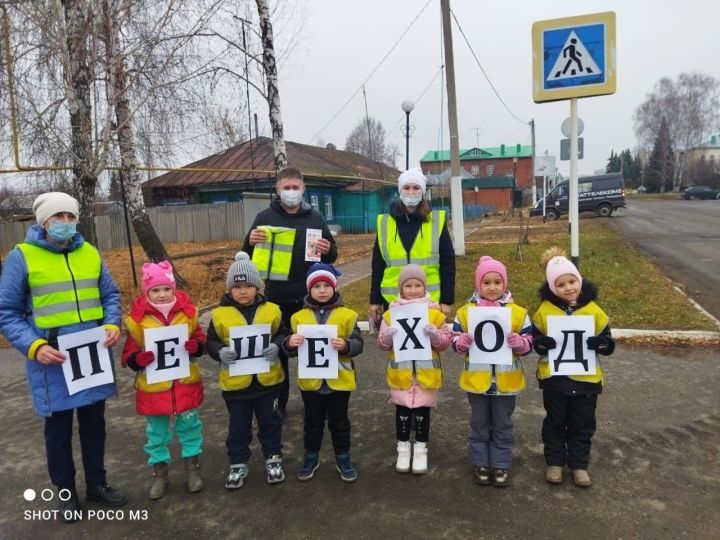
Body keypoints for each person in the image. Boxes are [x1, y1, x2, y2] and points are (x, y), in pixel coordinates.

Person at [0, 192, 126, 522]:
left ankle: (97, 484)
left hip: (92, 357)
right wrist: (35, 347)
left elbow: (110, 294)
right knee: (58, 432)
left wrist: (113, 323)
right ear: (43, 222)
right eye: (59, 217)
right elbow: (8, 313)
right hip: (52, 361)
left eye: (71, 217)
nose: (66, 224)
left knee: (94, 425)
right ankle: (66, 494)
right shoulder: (22, 257)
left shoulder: (90, 253)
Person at [242, 167, 337, 417]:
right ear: (277, 189)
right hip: (276, 298)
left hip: (310, 299)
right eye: (287, 187)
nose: (291, 192)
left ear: (304, 189)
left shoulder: (315, 218)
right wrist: (249, 242)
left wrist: (328, 248)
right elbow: (247, 257)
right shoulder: (264, 217)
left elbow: (332, 255)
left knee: (314, 349)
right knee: (278, 353)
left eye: (296, 187)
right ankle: (279, 404)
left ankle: (317, 402)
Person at [120, 260, 206, 499]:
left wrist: (196, 346)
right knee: (156, 433)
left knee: (190, 427)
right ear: (146, 292)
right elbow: (127, 354)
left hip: (184, 383)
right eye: (155, 290)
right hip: (153, 387)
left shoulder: (189, 314)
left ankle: (192, 469)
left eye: (167, 289)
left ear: (174, 288)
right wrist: (138, 358)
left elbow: (201, 340)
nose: (162, 294)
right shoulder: (136, 321)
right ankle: (160, 474)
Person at [532, 247, 615, 487]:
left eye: (572, 281)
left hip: (586, 380)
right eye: (561, 284)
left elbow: (608, 343)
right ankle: (555, 463)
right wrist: (541, 344)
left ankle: (579, 465)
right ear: (552, 288)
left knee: (583, 424)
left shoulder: (594, 311)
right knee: (555, 422)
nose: (568, 288)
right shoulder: (544, 312)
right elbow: (536, 341)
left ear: (579, 281)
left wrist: (602, 344)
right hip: (555, 381)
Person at [205, 252, 288, 489]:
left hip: (268, 383)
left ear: (258, 287)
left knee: (270, 423)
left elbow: (282, 334)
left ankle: (273, 458)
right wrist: (219, 351)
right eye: (237, 286)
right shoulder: (219, 314)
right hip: (236, 386)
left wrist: (277, 346)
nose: (243, 291)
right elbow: (210, 342)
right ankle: (238, 463)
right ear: (230, 289)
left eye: (248, 286)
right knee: (238, 427)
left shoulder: (272, 310)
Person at [451, 256, 533, 487]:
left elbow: (529, 343)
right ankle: (480, 462)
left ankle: (500, 464)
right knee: (479, 423)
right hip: (477, 382)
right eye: (486, 282)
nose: (492, 287)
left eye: (497, 282)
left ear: (505, 284)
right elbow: (455, 343)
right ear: (478, 284)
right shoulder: (466, 313)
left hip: (506, 383)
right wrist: (462, 342)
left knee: (502, 424)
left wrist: (520, 343)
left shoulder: (518, 313)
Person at [282, 263, 363, 482]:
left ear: (334, 287)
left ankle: (343, 457)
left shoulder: (348, 315)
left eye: (326, 285)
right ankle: (310, 456)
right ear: (309, 289)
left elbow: (358, 343)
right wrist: (289, 343)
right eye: (316, 286)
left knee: (340, 423)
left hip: (340, 382)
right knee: (312, 423)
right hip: (311, 384)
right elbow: (288, 350)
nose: (322, 290)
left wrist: (346, 346)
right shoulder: (298, 318)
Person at [376, 264, 451, 474]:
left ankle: (420, 449)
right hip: (401, 375)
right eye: (408, 285)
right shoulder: (391, 313)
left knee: (422, 414)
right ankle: (402, 448)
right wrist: (387, 336)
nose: (413, 289)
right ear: (401, 289)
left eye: (418, 285)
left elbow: (445, 342)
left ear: (424, 287)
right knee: (401, 413)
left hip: (426, 375)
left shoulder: (434, 313)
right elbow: (382, 344)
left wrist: (436, 336)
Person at [369, 168, 455, 329]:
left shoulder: (436, 221)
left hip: (429, 302)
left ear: (422, 191)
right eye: (406, 188)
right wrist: (375, 301)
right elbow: (377, 266)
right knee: (397, 350)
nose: (411, 192)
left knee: (429, 348)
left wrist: (447, 300)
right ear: (399, 190)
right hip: (394, 302)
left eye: (416, 188)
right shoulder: (385, 223)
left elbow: (448, 263)